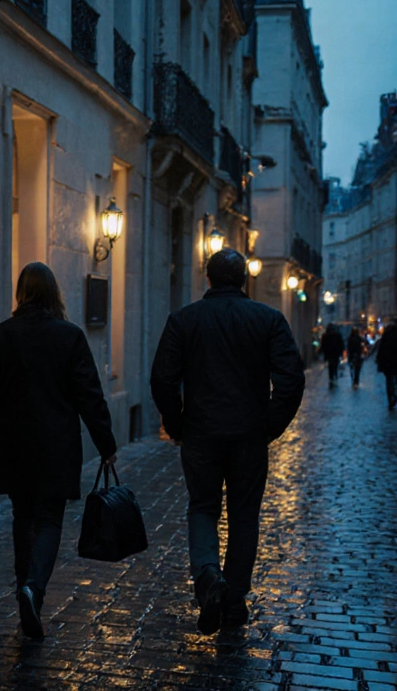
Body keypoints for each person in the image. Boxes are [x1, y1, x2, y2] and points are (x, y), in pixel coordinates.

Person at [150, 249, 304, 635]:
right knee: (244, 515)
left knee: (202, 507)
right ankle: (233, 597)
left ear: (208, 278)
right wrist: (268, 426)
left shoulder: (184, 320)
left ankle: (208, 577)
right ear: (243, 280)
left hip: (201, 432)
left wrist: (178, 423)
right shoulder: (268, 319)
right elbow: (290, 381)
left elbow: (162, 380)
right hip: (248, 435)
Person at [0, 262, 118, 640]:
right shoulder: (69, 337)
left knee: (23, 516)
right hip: (56, 445)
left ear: (21, 292)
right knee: (50, 519)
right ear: (55, 293)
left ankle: (26, 592)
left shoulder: (0, 336)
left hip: (15, 444)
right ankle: (33, 588)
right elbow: (90, 396)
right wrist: (106, 444)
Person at [377, 324, 397, 410]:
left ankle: (391, 399)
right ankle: (394, 396)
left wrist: (379, 360)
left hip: (388, 362)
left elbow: (381, 349)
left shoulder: (385, 336)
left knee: (389, 382)